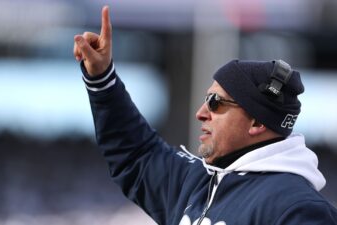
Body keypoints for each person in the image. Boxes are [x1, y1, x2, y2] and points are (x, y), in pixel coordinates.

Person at [73, 6, 337, 225]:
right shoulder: (199, 181)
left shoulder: (296, 210)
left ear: (257, 121)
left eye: (215, 103)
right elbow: (136, 155)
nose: (201, 113)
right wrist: (102, 78)